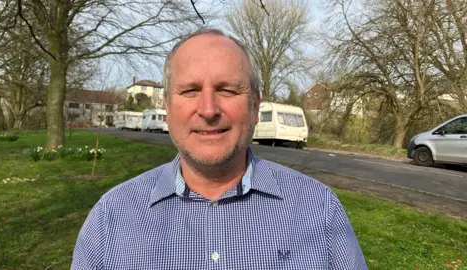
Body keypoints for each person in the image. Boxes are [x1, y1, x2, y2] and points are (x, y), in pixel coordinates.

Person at [71, 28, 367, 269]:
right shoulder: (111, 219)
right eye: (190, 90)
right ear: (168, 106)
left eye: (227, 90)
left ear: (255, 105)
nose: (209, 109)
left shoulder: (319, 209)